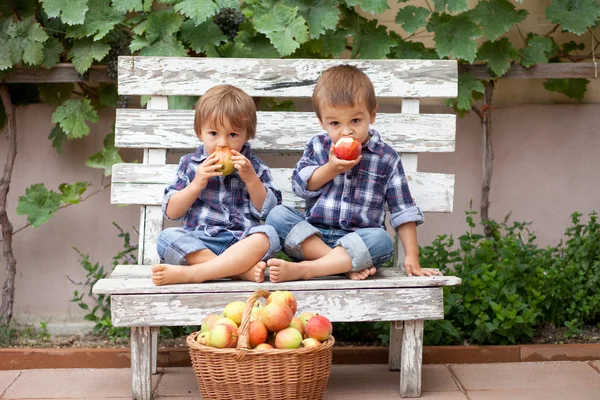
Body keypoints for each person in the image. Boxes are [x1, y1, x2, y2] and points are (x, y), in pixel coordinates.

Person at [265, 65, 441, 282]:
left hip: (360, 242)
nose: (346, 131)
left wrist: (412, 256)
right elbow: (300, 186)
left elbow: (402, 209)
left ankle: (308, 269)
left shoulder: (386, 157)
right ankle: (337, 265)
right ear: (322, 122)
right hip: (313, 238)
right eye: (335, 123)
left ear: (372, 114)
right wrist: (330, 169)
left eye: (355, 121)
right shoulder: (318, 146)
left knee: (381, 240)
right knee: (277, 215)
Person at [152, 84, 282, 285]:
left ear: (246, 135)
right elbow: (172, 212)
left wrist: (251, 179)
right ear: (200, 132)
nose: (223, 143)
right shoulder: (190, 165)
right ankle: (237, 272)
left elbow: (269, 212)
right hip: (200, 242)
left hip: (241, 243)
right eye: (213, 133)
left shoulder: (254, 167)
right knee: (166, 237)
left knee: (269, 235)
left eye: (232, 135)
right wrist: (197, 183)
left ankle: (196, 273)